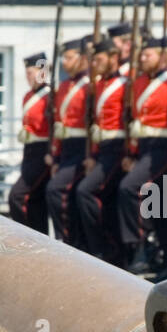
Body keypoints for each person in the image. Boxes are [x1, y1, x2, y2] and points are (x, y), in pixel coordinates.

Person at [117, 35, 167, 281]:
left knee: (129, 188)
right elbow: (136, 122)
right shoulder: (140, 82)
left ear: (162, 57)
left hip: (164, 148)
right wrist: (133, 152)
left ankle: (142, 245)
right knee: (161, 208)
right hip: (145, 147)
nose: (144, 58)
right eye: (142, 54)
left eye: (149, 54)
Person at [76, 37, 128, 263]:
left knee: (86, 191)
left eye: (98, 59)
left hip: (119, 149)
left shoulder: (126, 85)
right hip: (102, 149)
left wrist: (130, 153)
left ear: (113, 58)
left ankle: (104, 247)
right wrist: (93, 155)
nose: (94, 64)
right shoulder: (98, 86)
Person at [45, 37, 92, 246]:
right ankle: (70, 240)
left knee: (56, 190)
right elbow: (57, 122)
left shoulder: (89, 86)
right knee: (65, 195)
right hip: (66, 148)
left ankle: (70, 240)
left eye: (69, 57)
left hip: (82, 147)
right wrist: (55, 155)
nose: (64, 62)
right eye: (63, 57)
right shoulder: (64, 86)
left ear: (82, 59)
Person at [8, 51, 53, 234]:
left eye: (31, 72)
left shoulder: (51, 95)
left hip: (43, 151)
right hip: (29, 150)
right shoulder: (27, 96)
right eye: (26, 73)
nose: (28, 77)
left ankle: (27, 234)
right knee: (35, 200)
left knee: (17, 196)